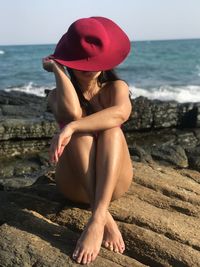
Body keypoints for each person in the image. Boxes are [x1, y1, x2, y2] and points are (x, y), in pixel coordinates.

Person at [42, 16, 133, 265]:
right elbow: (71, 112)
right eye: (80, 59)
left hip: (114, 182)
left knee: (112, 130)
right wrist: (58, 69)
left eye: (93, 59)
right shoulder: (55, 96)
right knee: (80, 136)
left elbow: (120, 114)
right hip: (75, 185)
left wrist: (70, 127)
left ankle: (98, 216)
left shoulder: (116, 88)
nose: (88, 66)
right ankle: (102, 217)